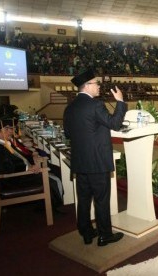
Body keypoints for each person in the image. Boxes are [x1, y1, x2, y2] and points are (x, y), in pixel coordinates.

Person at [63, 70, 127, 246]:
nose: (99, 86)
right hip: (97, 162)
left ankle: (86, 232)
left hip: (80, 162)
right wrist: (120, 101)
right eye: (96, 83)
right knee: (101, 200)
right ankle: (104, 235)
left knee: (83, 199)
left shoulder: (70, 107)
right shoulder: (95, 105)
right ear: (87, 86)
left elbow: (68, 133)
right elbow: (114, 123)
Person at [0, 119, 64, 210]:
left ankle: (59, 201)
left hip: (18, 175)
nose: (11, 131)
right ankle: (53, 207)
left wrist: (31, 160)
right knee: (53, 179)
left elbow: (18, 158)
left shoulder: (3, 143)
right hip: (14, 181)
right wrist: (28, 168)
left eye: (10, 128)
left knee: (55, 169)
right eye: (6, 129)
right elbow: (6, 169)